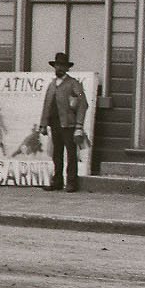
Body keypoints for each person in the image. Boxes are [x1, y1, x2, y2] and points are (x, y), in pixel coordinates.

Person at [39, 49, 89, 192]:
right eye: (57, 65)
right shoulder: (52, 85)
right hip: (55, 124)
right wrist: (43, 124)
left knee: (71, 154)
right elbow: (46, 105)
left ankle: (71, 182)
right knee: (57, 154)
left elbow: (83, 103)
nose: (59, 68)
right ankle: (57, 181)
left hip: (69, 124)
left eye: (62, 65)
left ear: (67, 68)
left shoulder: (74, 84)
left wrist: (79, 125)